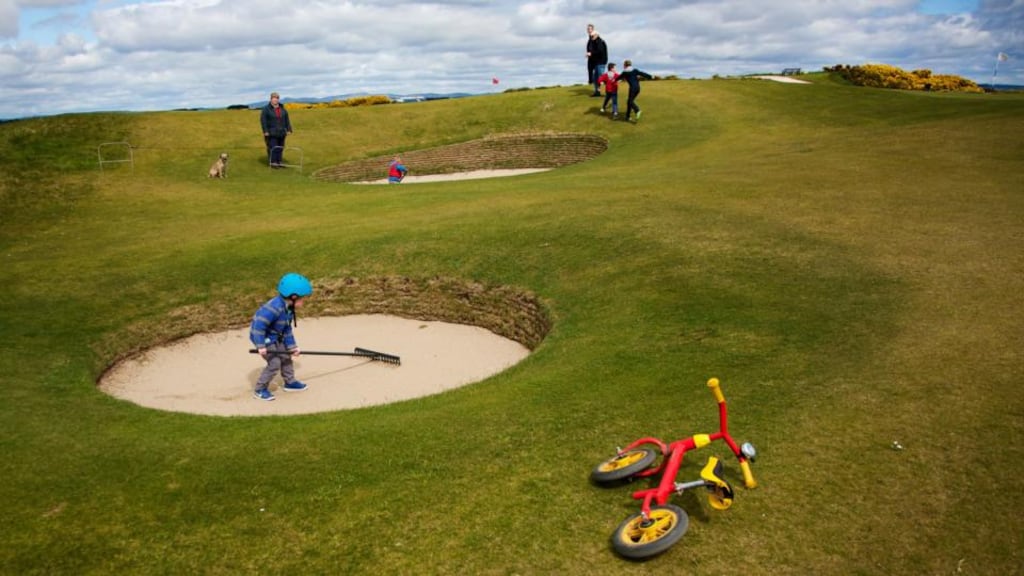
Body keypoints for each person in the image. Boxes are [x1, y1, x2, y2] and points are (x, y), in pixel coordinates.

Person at [250, 273, 312, 401]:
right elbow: (258, 327)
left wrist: (292, 346)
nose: (303, 301)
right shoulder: (273, 309)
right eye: (302, 299)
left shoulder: (288, 309)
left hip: (275, 335)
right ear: (293, 297)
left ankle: (290, 382)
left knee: (285, 357)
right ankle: (260, 389)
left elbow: (286, 329)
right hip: (263, 337)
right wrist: (261, 346)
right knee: (274, 363)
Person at [260, 92, 293, 167]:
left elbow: (287, 120)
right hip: (271, 132)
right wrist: (265, 131)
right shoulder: (266, 109)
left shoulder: (282, 109)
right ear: (271, 99)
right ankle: (273, 162)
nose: (275, 100)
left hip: (282, 132)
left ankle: (279, 161)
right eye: (273, 98)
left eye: (277, 98)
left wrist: (289, 129)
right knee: (273, 147)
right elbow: (263, 121)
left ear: (278, 99)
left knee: (280, 147)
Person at [586, 25, 608, 97]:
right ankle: (597, 92)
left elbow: (600, 51)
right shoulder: (592, 42)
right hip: (595, 62)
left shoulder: (599, 41)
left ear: (596, 35)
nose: (592, 37)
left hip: (601, 62)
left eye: (593, 36)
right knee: (596, 78)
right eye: (591, 36)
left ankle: (610, 91)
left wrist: (591, 53)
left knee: (601, 77)